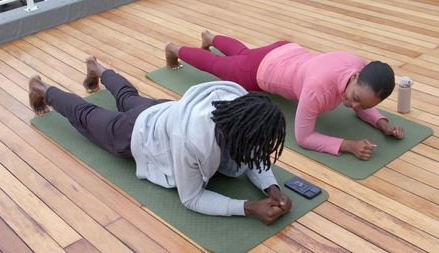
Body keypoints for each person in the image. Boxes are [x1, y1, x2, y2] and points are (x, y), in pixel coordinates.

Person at [28, 56, 292, 225]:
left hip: (168, 111)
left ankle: (97, 67)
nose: (258, 151)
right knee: (86, 114)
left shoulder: (241, 107)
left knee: (127, 96)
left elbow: (256, 152)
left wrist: (271, 188)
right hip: (137, 135)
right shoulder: (191, 141)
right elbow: (191, 199)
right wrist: (249, 208)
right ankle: (41, 89)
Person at [165, 31, 405, 161]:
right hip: (259, 73)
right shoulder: (316, 89)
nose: (352, 105)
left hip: (285, 49)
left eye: (361, 104)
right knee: (218, 65)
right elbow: (304, 137)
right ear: (355, 78)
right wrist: (348, 145)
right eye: (354, 98)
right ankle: (174, 49)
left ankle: (211, 37)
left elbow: (363, 103)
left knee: (243, 54)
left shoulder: (361, 67)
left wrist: (382, 123)